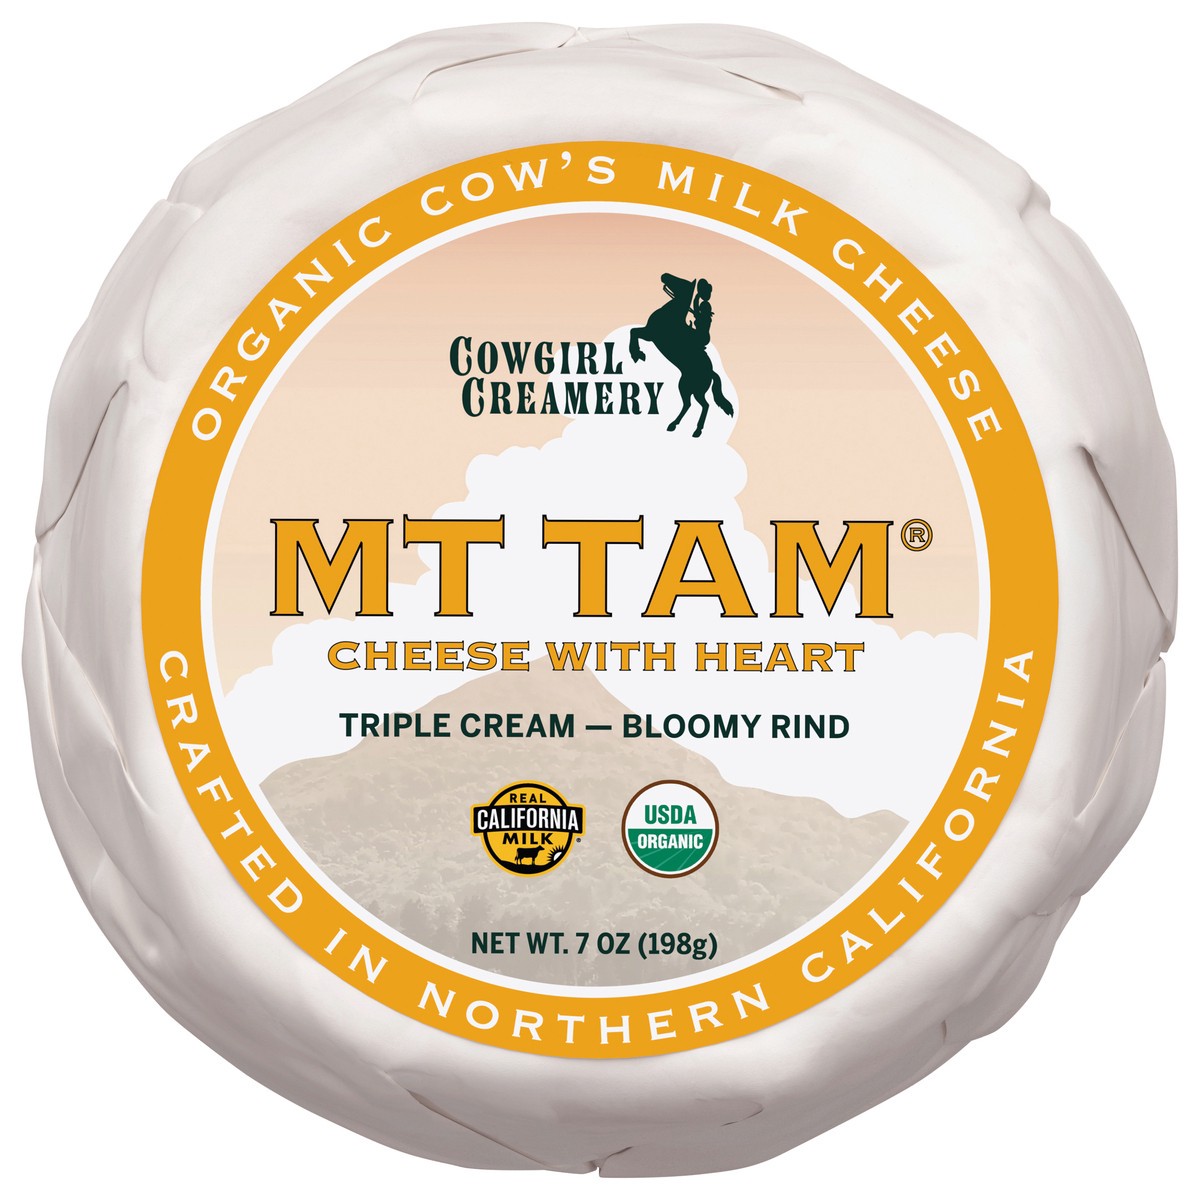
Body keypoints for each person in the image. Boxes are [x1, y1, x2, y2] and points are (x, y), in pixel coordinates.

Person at [690, 278, 713, 346]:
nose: (700, 309)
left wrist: (698, 295)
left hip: (701, 337)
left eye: (701, 308)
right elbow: (696, 309)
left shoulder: (702, 317)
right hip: (705, 337)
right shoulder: (706, 317)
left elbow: (696, 306)